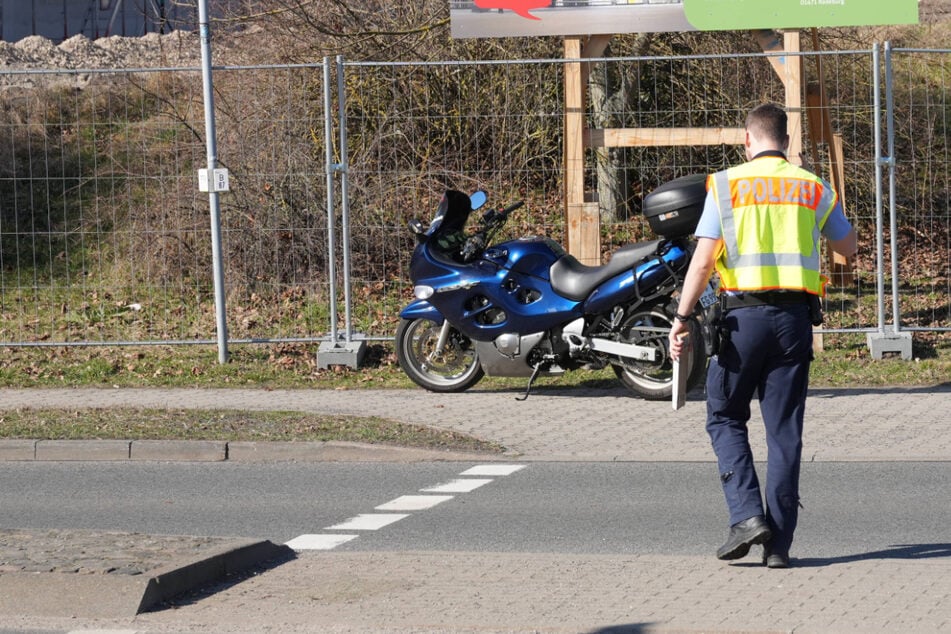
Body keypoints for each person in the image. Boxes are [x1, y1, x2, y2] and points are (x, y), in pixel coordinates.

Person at [668, 103, 857, 569]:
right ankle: (779, 547)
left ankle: (748, 515)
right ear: (787, 142)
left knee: (726, 416)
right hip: (794, 323)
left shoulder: (727, 184)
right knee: (784, 431)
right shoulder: (813, 186)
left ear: (747, 140)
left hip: (741, 323)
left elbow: (704, 260)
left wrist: (681, 316)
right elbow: (849, 249)